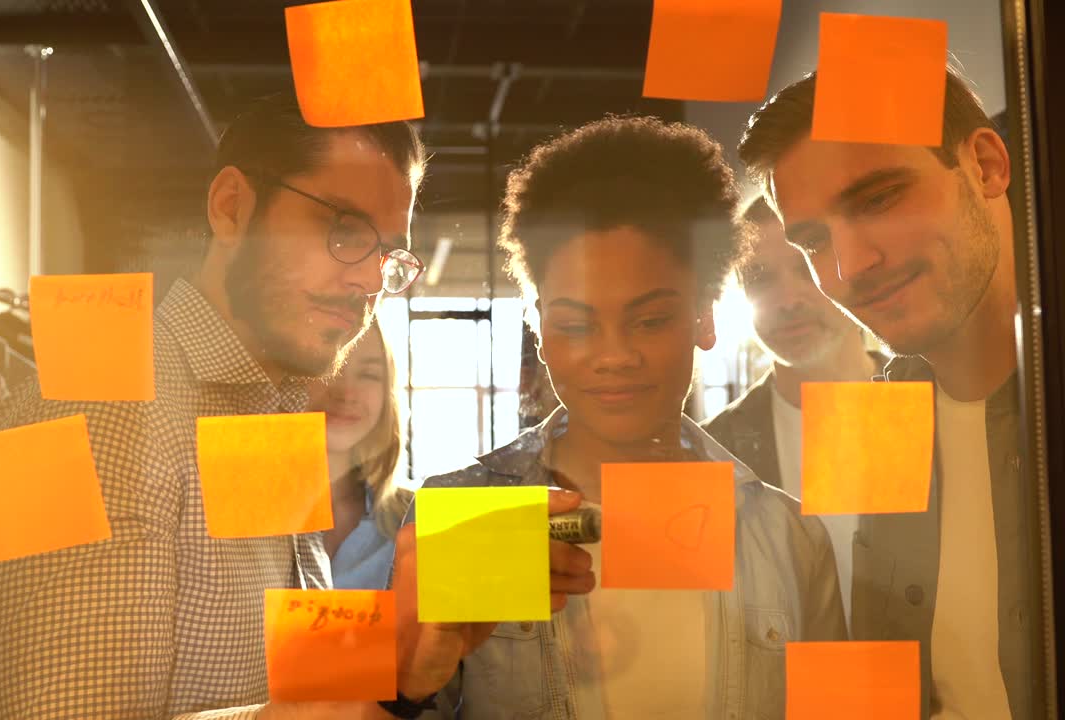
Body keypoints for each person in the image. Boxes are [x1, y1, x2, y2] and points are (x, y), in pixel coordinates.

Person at [0, 94, 595, 720]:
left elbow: (283, 685)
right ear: (233, 207)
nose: (371, 279)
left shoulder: (271, 421)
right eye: (343, 228)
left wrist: (401, 675)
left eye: (387, 254)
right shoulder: (74, 420)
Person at [412, 116, 845, 719]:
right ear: (540, 328)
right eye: (576, 324)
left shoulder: (784, 537)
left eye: (650, 320)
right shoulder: (466, 514)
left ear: (704, 318)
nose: (614, 356)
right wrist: (403, 685)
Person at [738, 68, 1042, 719]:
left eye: (878, 199)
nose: (849, 267)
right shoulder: (882, 423)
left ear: (986, 167)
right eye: (816, 240)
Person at [704, 195, 886, 623]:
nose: (786, 300)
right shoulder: (713, 450)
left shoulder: (937, 411)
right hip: (780, 686)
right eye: (759, 277)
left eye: (806, 267)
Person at [308, 320, 412, 589]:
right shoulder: (233, 511)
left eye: (369, 375)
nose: (347, 393)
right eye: (328, 369)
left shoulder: (413, 520)